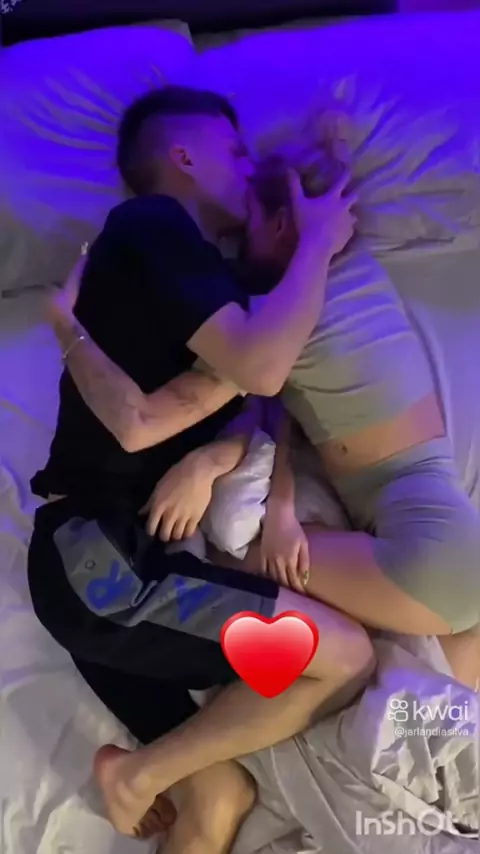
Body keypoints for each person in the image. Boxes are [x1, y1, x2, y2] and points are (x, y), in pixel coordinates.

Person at [28, 86, 373, 843]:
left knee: (217, 796)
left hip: (122, 574)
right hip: (96, 561)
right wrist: (317, 244)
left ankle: (147, 773)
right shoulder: (152, 223)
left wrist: (216, 456)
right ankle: (135, 775)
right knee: (342, 656)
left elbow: (253, 396)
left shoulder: (209, 285)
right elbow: (261, 366)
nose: (247, 167)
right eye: (236, 150)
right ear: (183, 155)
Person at [51, 150, 480, 694]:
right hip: (450, 536)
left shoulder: (273, 320)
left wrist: (65, 329)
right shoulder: (356, 276)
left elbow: (155, 418)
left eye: (249, 224)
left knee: (236, 564)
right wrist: (273, 501)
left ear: (280, 224)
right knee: (444, 712)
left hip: (432, 556)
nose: (233, 244)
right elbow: (280, 413)